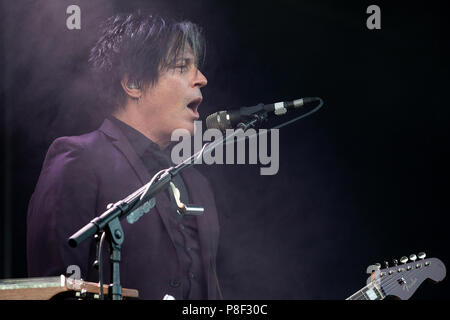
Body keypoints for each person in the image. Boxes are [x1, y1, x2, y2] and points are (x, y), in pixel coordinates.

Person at [26, 11, 222, 300]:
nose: (202, 79)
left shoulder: (197, 184)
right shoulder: (79, 160)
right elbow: (54, 290)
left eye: (198, 68)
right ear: (134, 84)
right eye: (182, 67)